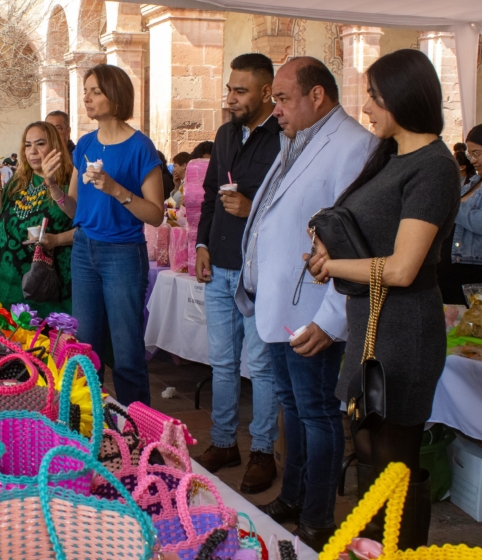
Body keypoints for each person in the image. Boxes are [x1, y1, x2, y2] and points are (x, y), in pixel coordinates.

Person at [307, 49, 460, 548]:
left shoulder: (434, 167)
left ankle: (398, 548)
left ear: (402, 96)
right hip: (370, 324)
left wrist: (332, 267)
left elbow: (401, 267)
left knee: (394, 457)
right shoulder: (390, 157)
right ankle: (374, 542)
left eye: (373, 97)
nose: (366, 107)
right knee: (370, 444)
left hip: (404, 329)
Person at [233, 57, 377, 548]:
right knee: (292, 409)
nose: (275, 109)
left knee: (317, 413)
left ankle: (317, 517)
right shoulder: (296, 138)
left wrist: (331, 318)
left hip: (315, 309)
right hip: (280, 302)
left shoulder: (353, 146)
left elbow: (354, 242)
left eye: (283, 98)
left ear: (317, 96)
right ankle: (292, 495)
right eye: (273, 99)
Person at [193, 53, 281, 495]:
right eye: (229, 88)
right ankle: (224, 442)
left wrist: (251, 211)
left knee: (262, 367)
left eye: (240, 90)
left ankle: (264, 451)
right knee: (223, 363)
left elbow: (291, 208)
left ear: (266, 92)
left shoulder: (284, 136)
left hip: (260, 270)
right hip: (220, 262)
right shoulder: (227, 133)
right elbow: (211, 193)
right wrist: (202, 244)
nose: (230, 97)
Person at [53, 64, 164, 406]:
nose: (86, 98)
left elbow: (157, 215)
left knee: (128, 353)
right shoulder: (84, 144)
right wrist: (51, 184)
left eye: (95, 91)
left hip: (123, 254)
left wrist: (117, 190)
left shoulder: (140, 147)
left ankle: (140, 434)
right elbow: (75, 210)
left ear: (116, 97)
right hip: (85, 249)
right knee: (85, 350)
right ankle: (92, 427)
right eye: (86, 91)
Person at [0, 121, 74, 315]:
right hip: (1, 278)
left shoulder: (69, 183)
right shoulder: (19, 181)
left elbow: (86, 228)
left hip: (42, 284)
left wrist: (56, 240)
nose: (32, 151)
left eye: (40, 144)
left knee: (36, 341)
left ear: (55, 147)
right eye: (27, 145)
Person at [438, 125, 482, 305]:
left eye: (477, 153)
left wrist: (451, 204)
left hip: (473, 273)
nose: (473, 160)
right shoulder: (473, 181)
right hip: (451, 274)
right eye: (471, 154)